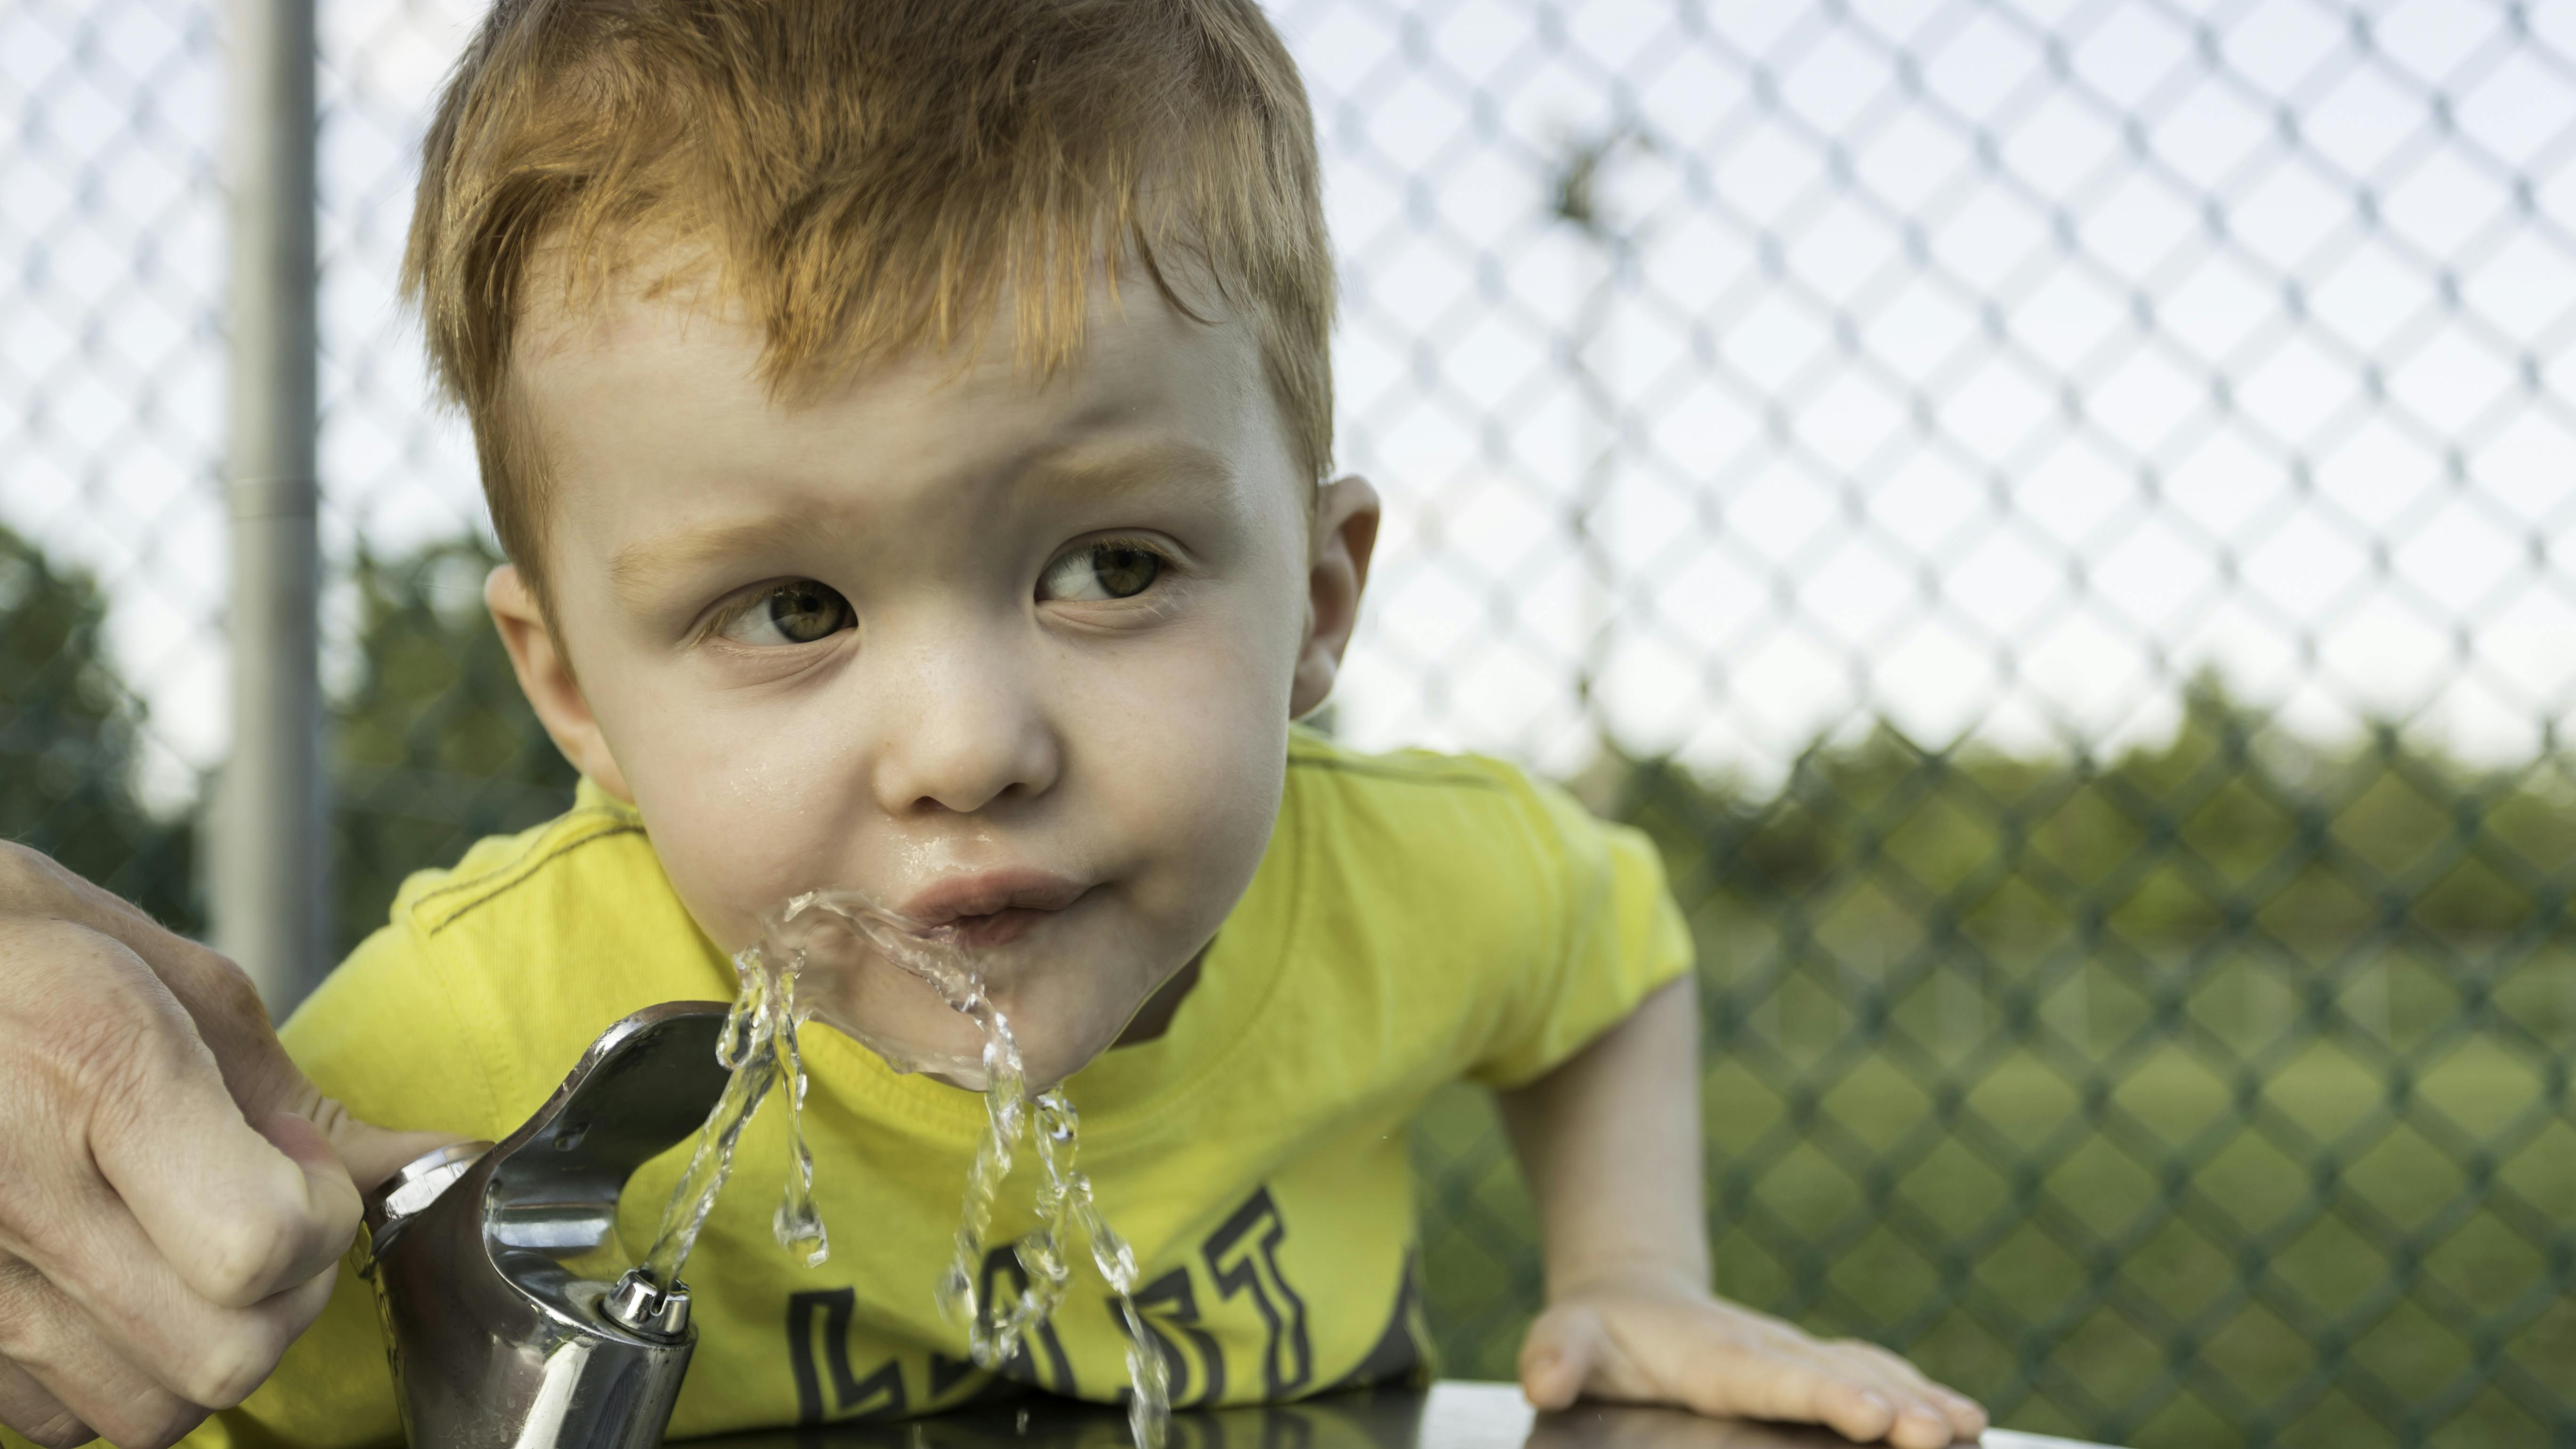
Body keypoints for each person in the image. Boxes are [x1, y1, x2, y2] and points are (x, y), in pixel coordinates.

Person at [0, 3, 1989, 1447]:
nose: (967, 747)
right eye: (794, 610)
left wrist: (1629, 1268)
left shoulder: (1405, 877)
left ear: (1317, 599)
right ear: (577, 690)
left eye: (1111, 568)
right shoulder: (466, 1052)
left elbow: (1605, 945)